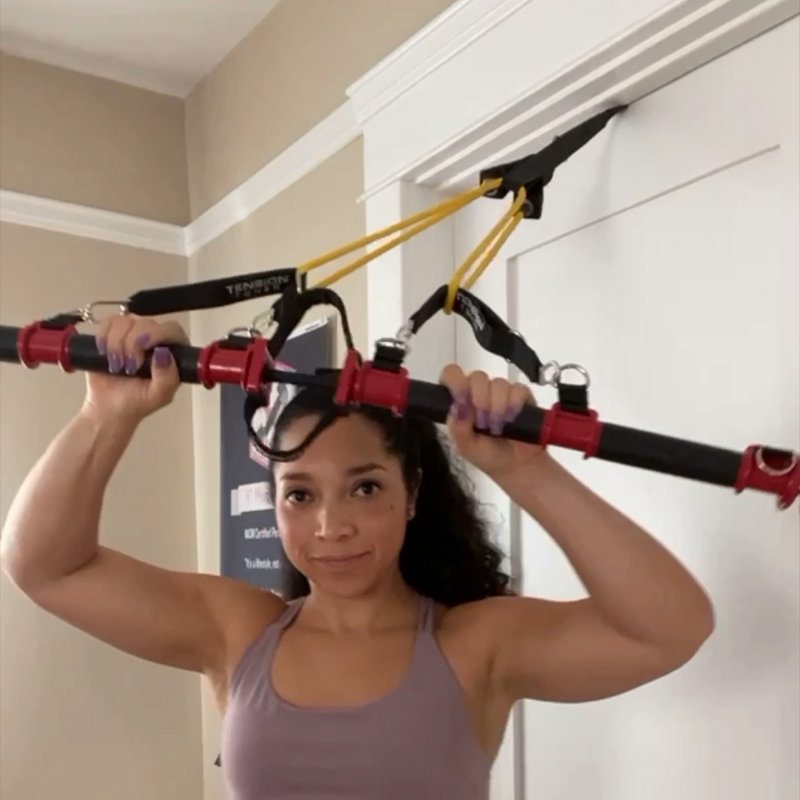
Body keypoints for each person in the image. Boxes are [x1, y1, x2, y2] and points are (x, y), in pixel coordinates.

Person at [0, 314, 715, 799]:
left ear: (411, 495)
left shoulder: (474, 644)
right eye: (300, 494)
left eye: (365, 487)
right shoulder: (238, 630)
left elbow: (669, 628)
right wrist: (107, 414)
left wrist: (526, 469)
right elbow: (45, 565)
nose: (331, 526)